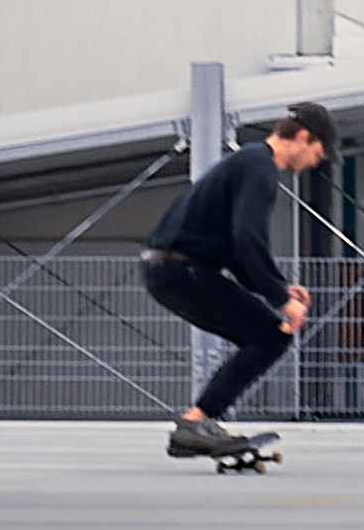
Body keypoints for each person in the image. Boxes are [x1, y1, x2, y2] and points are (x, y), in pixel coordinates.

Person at [141, 100, 336, 457]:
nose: (315, 164)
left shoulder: (248, 161)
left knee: (260, 335)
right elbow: (248, 237)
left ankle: (198, 423)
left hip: (170, 269)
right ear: (303, 137)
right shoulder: (260, 167)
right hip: (183, 271)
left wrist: (279, 286)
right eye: (318, 153)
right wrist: (280, 299)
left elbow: (236, 250)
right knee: (269, 337)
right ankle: (196, 422)